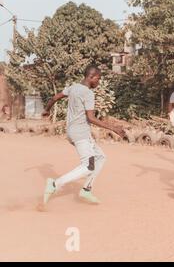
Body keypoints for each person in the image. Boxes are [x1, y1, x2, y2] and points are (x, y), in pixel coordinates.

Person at [41, 65, 125, 205]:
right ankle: (55, 184)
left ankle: (86, 189)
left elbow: (55, 97)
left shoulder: (73, 87)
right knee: (88, 166)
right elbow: (91, 118)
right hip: (80, 133)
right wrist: (114, 128)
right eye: (98, 79)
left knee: (100, 157)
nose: (99, 82)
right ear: (91, 77)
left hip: (73, 131)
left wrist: (47, 110)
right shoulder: (88, 93)